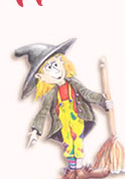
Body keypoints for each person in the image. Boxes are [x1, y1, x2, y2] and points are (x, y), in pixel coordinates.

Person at [16, 39, 116, 179]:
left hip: (77, 118)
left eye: (55, 64)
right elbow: (43, 112)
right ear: (40, 77)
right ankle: (72, 170)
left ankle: (79, 170)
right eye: (49, 68)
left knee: (77, 142)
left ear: (62, 61)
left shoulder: (73, 83)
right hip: (63, 123)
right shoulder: (51, 94)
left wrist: (103, 101)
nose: (55, 70)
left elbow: (87, 94)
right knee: (68, 144)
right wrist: (35, 130)